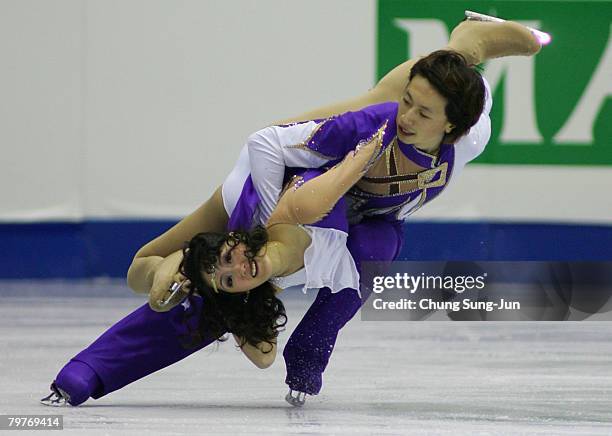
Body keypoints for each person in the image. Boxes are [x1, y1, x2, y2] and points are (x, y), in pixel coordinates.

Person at [41, 16, 544, 407]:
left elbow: (264, 350)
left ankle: (475, 37)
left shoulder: (467, 138)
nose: (408, 117)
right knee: (190, 284)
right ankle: (107, 353)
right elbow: (266, 144)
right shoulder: (365, 132)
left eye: (424, 112)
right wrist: (239, 236)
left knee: (450, 66)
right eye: (409, 104)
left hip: (351, 212)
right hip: (284, 187)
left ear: (453, 127)